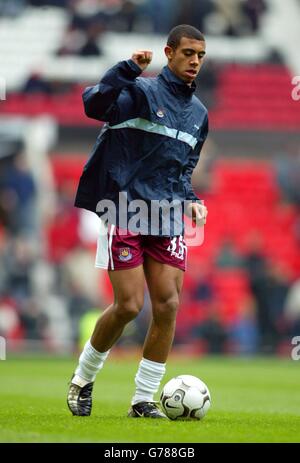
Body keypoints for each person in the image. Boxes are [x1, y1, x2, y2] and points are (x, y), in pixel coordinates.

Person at [67, 24, 209, 418]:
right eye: (188, 53)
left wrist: (192, 200)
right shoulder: (139, 91)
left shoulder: (199, 114)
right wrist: (127, 68)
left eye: (200, 55)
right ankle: (83, 378)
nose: (195, 61)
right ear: (169, 52)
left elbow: (184, 168)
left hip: (166, 216)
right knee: (129, 306)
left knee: (168, 305)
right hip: (125, 209)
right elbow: (93, 105)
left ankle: (143, 400)